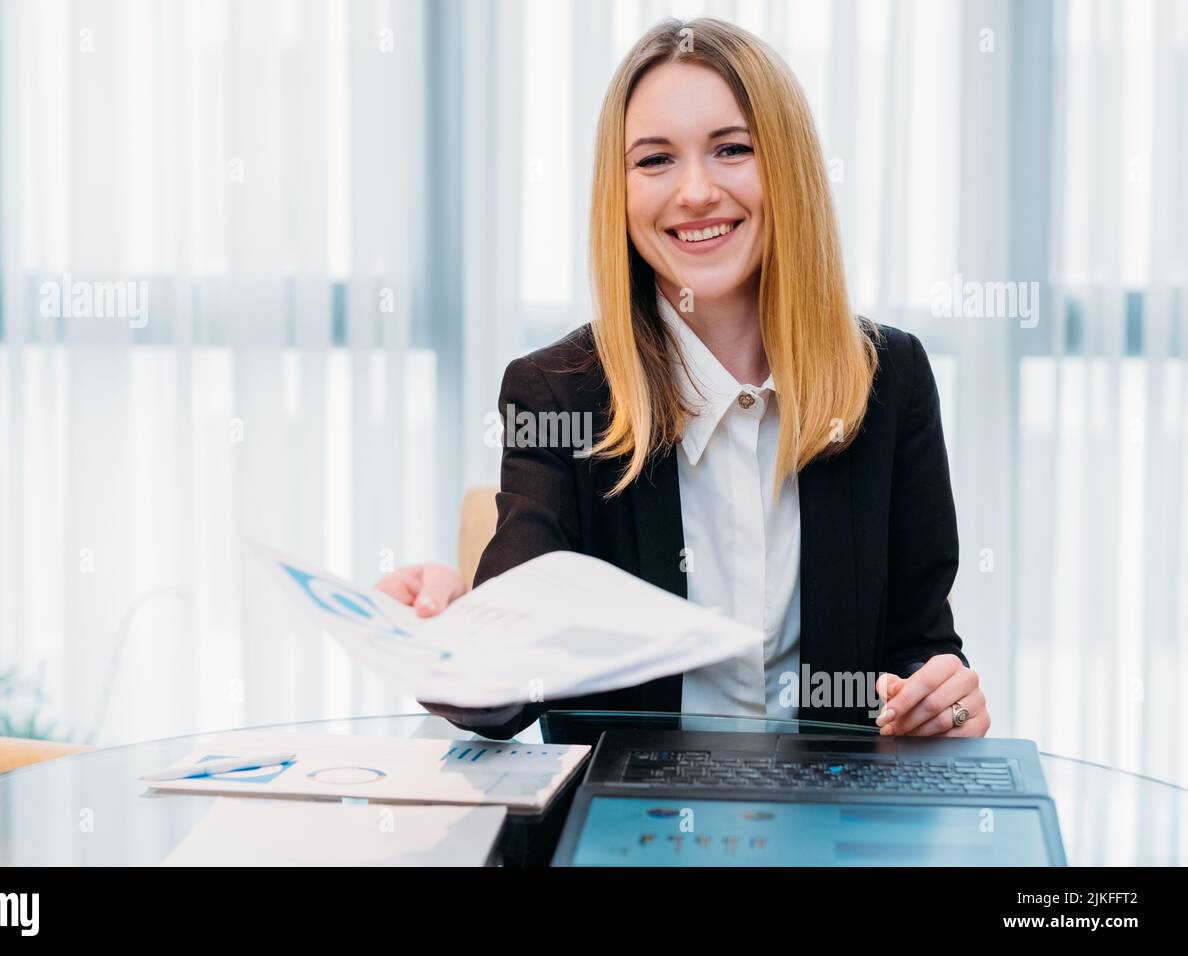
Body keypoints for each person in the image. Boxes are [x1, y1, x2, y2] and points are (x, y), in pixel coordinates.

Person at [377, 17, 989, 743]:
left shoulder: (891, 382)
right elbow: (506, 697)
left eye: (731, 149)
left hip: (832, 826)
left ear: (788, 170)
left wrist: (943, 698)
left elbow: (918, 648)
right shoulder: (558, 395)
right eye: (655, 160)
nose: (695, 192)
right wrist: (449, 646)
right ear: (621, 192)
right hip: (627, 829)